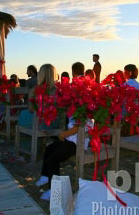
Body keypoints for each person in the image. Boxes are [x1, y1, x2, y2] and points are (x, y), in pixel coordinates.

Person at [36, 63, 93, 201]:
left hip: (77, 141)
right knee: (50, 149)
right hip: (72, 138)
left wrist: (63, 134)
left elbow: (77, 127)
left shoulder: (81, 106)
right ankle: (45, 175)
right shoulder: (77, 102)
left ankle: (54, 191)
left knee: (54, 159)